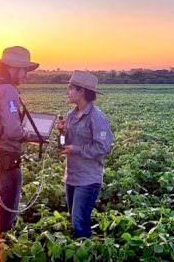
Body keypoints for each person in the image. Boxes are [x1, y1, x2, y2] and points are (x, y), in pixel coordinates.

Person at [0, 46, 38, 233]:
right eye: (25, 70)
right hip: (5, 158)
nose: (26, 75)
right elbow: (12, 131)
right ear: (15, 68)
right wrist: (26, 133)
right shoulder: (7, 89)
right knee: (4, 216)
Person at [57, 70, 113, 238]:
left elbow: (102, 148)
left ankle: (87, 251)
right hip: (72, 176)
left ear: (81, 91)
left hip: (88, 179)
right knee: (76, 221)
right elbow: (64, 145)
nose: (67, 92)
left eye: (70, 88)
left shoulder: (97, 117)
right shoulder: (71, 115)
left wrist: (76, 149)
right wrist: (62, 133)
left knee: (79, 224)